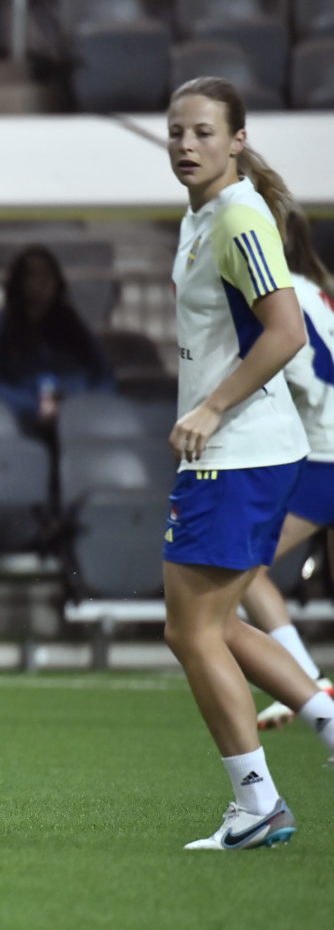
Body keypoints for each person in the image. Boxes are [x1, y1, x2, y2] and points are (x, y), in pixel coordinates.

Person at [161, 77, 334, 850]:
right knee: (213, 623)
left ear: (237, 141)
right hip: (237, 455)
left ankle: (257, 802)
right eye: (176, 133)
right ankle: (325, 720)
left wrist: (211, 407)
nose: (187, 145)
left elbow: (287, 331)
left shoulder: (236, 216)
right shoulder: (205, 214)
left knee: (191, 630)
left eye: (203, 132)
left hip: (237, 454)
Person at [244, 209, 334, 728]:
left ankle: (305, 682)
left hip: (323, 458)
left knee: (244, 569)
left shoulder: (276, 297)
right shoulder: (318, 291)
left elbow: (286, 360)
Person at [0, 245, 114, 434]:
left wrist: (86, 404)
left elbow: (102, 376)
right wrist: (35, 408)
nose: (42, 282)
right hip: (17, 425)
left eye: (48, 274)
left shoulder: (73, 327)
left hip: (79, 423)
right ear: (18, 281)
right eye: (33, 274)